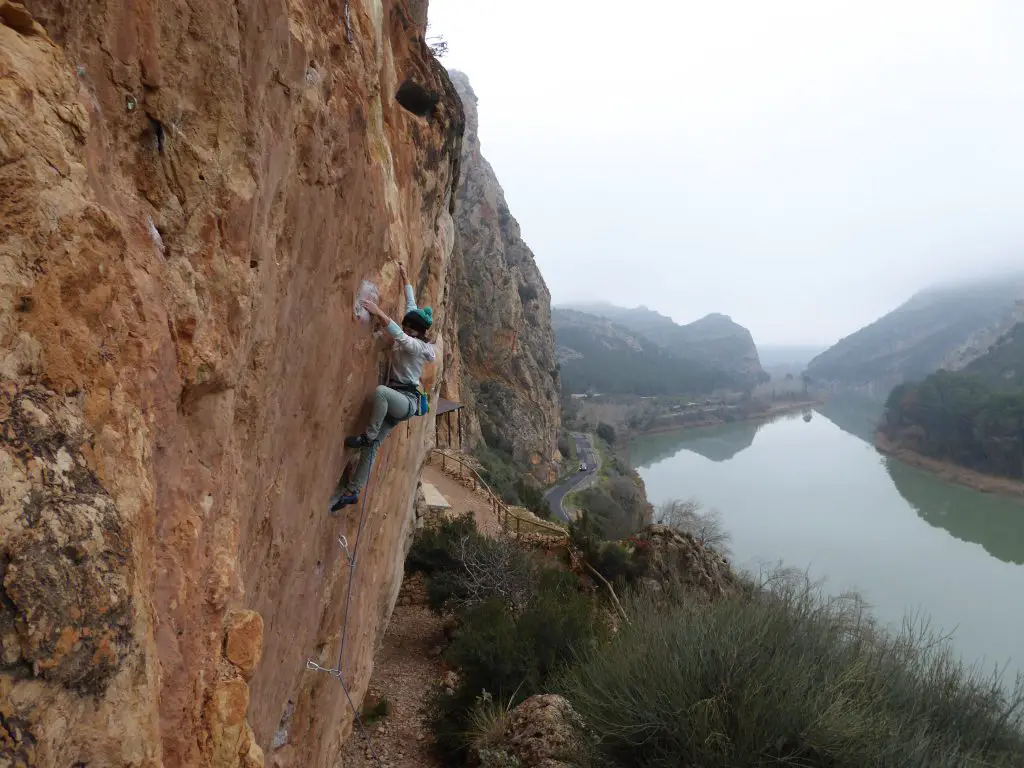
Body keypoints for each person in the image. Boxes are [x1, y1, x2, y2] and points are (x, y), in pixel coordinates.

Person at [330, 263, 435, 514]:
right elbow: (410, 304)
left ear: (420, 333)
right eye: (408, 325)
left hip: (405, 401)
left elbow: (400, 335)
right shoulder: (412, 329)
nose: (408, 328)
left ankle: (368, 434)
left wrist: (378, 312)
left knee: (380, 393)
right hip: (397, 399)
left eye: (413, 328)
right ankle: (353, 492)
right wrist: (405, 277)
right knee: (373, 447)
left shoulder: (418, 346)